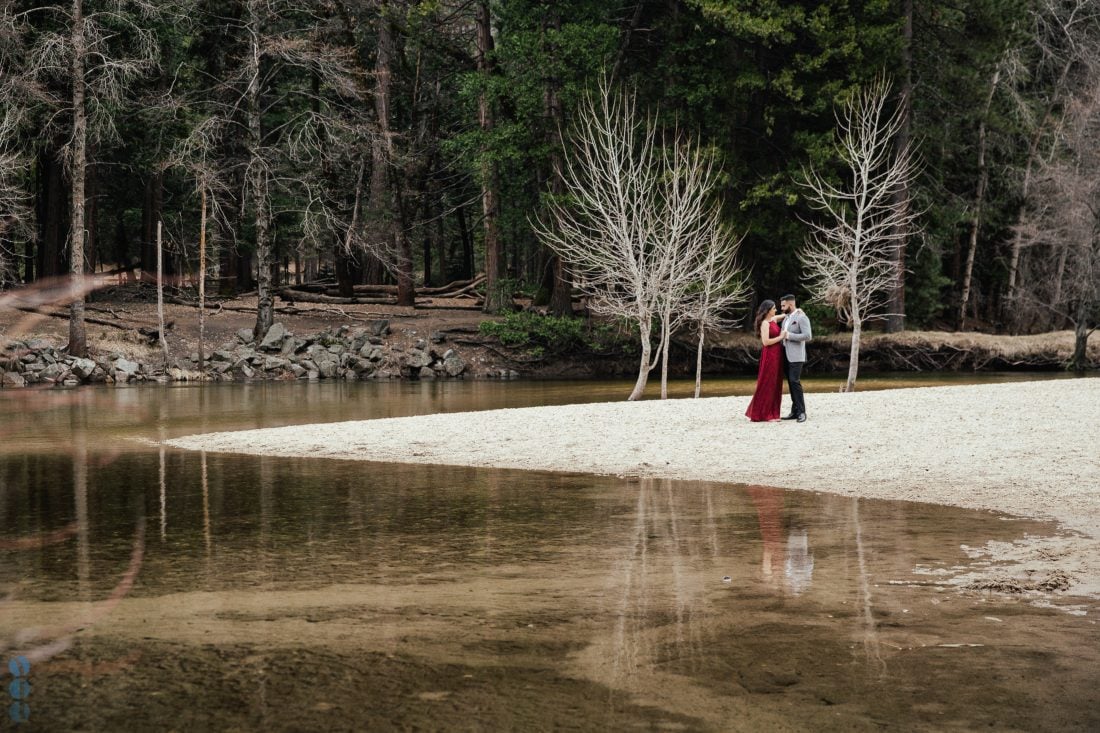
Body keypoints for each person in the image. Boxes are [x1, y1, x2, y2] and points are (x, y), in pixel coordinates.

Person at [745, 299, 786, 422]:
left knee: (776, 383)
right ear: (768, 310)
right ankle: (765, 414)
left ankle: (773, 413)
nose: (776, 310)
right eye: (774, 308)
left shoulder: (772, 319)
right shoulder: (765, 323)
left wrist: (797, 311)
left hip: (778, 355)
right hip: (770, 356)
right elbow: (766, 342)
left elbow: (784, 315)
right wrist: (781, 337)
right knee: (768, 383)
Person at [778, 294, 812, 423]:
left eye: (783, 305)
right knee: (791, 383)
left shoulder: (802, 317)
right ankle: (794, 411)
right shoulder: (786, 318)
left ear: (791, 304)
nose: (781, 308)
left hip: (797, 356)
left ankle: (802, 412)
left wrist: (789, 335)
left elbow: (808, 336)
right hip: (785, 356)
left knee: (795, 382)